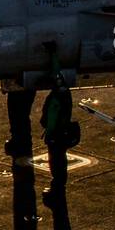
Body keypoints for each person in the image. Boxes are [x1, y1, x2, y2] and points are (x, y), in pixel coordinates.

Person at [40, 57, 79, 209]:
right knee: (56, 164)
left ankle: (57, 193)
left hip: (57, 136)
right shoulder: (62, 93)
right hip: (55, 135)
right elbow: (56, 73)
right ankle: (56, 190)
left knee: (57, 165)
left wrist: (53, 134)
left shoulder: (60, 96)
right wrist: (53, 55)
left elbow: (55, 118)